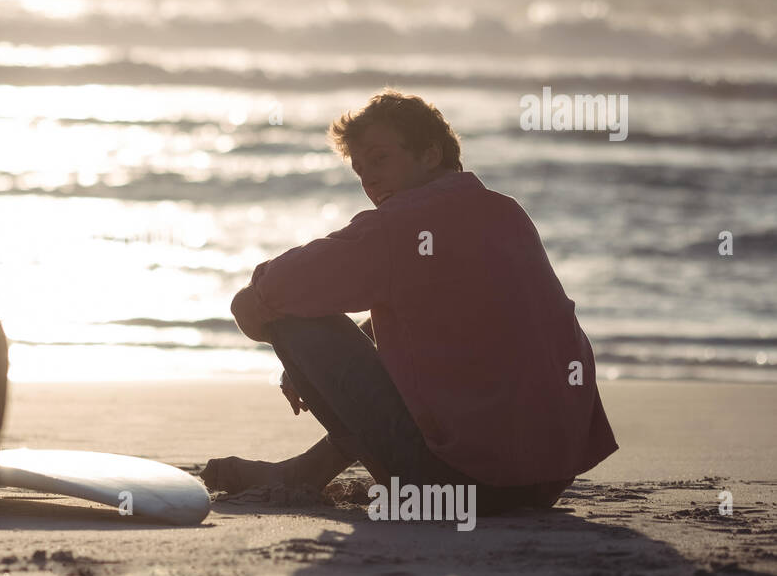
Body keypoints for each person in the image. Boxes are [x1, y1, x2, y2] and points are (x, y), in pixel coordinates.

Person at [203, 89, 618, 516]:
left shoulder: (399, 227)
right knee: (380, 328)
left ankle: (302, 472)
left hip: (452, 489)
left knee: (286, 314)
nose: (370, 181)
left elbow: (260, 299)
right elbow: (453, 316)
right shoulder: (506, 213)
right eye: (360, 170)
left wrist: (300, 354)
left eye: (380, 159)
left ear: (430, 154)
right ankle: (306, 468)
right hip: (546, 480)